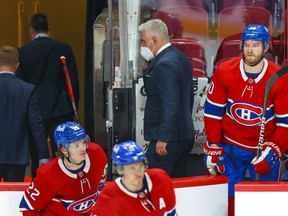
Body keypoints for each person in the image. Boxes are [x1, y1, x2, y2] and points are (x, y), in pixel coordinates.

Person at [203, 24, 288, 216]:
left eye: (256, 45)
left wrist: (274, 150)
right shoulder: (225, 70)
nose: (250, 50)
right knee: (226, 200)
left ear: (266, 47)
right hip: (231, 147)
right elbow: (212, 113)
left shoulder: (279, 78)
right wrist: (213, 146)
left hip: (262, 149)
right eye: (247, 44)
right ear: (241, 46)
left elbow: (285, 124)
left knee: (265, 204)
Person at [16, 13, 80, 166]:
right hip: (60, 110)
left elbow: (20, 85)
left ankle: (38, 185)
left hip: (33, 111)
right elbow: (72, 82)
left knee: (38, 157)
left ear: (31, 30)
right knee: (64, 156)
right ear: (48, 28)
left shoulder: (23, 52)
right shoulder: (63, 48)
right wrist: (73, 109)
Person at [139, 19, 195, 178]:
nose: (142, 46)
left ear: (154, 40)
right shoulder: (180, 57)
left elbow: (170, 104)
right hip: (183, 136)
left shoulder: (164, 64)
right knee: (177, 186)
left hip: (167, 141)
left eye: (143, 41)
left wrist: (163, 138)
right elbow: (187, 98)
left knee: (153, 183)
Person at [19, 121, 107, 215]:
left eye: (83, 142)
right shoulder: (48, 175)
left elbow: (101, 183)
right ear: (64, 150)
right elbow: (28, 207)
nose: (83, 148)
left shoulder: (96, 154)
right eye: (76, 145)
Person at [0, 46, 49, 182]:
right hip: (17, 155)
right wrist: (43, 156)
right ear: (17, 65)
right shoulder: (27, 89)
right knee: (14, 198)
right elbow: (36, 124)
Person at [90, 140, 177, 215]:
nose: (139, 173)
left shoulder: (161, 179)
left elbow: (171, 213)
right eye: (132, 168)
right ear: (119, 169)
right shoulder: (109, 196)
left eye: (141, 166)